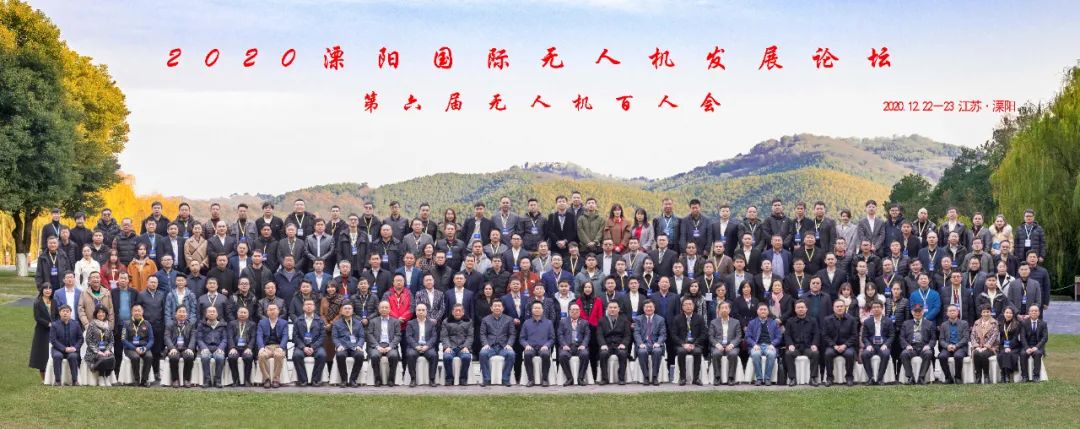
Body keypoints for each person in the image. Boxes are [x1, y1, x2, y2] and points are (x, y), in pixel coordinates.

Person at [479, 300, 516, 387]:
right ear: (491, 308)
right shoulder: (485, 319)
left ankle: (505, 379)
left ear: (503, 308)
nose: (497, 308)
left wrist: (509, 344)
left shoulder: (509, 319)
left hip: (504, 347)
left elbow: (512, 334)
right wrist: (485, 344)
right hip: (490, 346)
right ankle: (486, 379)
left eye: (499, 306)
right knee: (483, 353)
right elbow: (482, 334)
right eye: (495, 306)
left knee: (511, 354)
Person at [782, 300, 819, 386]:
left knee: (815, 353)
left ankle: (813, 378)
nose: (800, 309)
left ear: (806, 309)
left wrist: (814, 344)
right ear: (795, 310)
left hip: (808, 347)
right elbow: (787, 335)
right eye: (798, 308)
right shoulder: (790, 321)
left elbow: (816, 334)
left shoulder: (813, 320)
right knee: (788, 354)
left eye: (802, 307)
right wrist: (790, 345)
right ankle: (792, 378)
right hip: (795, 347)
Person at [519, 301, 556, 387]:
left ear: (542, 310)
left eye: (539, 308)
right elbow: (522, 338)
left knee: (546, 354)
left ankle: (545, 379)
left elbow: (552, 338)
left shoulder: (549, 323)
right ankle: (530, 379)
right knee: (527, 354)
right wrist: (526, 345)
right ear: (531, 310)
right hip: (530, 347)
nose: (537, 310)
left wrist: (546, 345)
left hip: (543, 347)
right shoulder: (526, 323)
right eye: (535, 308)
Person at [822, 299, 858, 386]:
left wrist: (845, 345)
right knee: (828, 354)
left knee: (849, 354)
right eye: (837, 306)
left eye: (841, 306)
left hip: (847, 346)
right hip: (833, 346)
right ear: (833, 308)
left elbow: (854, 336)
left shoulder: (851, 319)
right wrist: (834, 345)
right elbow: (825, 335)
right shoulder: (827, 320)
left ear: (845, 307)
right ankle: (829, 378)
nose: (839, 308)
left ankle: (849, 377)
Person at [291, 298, 327, 386]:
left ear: (314, 307)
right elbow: (295, 336)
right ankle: (303, 380)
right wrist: (303, 347)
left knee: (322, 355)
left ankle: (316, 380)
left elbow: (322, 336)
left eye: (311, 304)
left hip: (316, 346)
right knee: (296, 355)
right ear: (303, 307)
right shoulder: (297, 320)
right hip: (302, 346)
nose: (308, 306)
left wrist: (313, 347)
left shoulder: (320, 321)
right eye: (306, 304)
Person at [366, 300, 402, 387]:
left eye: (386, 307)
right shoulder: (373, 321)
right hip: (377, 345)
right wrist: (377, 346)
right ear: (379, 309)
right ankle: (377, 379)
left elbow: (398, 336)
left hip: (390, 345)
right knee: (374, 356)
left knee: (393, 356)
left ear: (390, 309)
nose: (384, 309)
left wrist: (391, 346)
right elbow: (369, 335)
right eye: (382, 307)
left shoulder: (395, 321)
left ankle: (391, 379)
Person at [746, 302, 781, 386]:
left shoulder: (774, 323)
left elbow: (779, 337)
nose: (763, 311)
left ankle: (767, 378)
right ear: (757, 311)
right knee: (755, 354)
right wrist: (754, 344)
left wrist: (773, 344)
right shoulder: (752, 323)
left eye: (765, 309)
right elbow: (747, 337)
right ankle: (759, 378)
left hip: (769, 345)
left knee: (771, 354)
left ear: (768, 311)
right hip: (756, 346)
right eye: (761, 309)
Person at [596, 301, 632, 385]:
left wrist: (624, 344)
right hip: (607, 345)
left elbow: (627, 335)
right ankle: (604, 379)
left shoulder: (624, 320)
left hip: (619, 345)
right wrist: (603, 344)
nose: (613, 309)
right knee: (603, 354)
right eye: (610, 307)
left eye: (615, 308)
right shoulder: (602, 320)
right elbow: (599, 335)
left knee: (623, 353)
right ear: (607, 309)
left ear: (618, 309)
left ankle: (621, 379)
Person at [860, 301, 895, 385]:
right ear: (871, 309)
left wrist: (886, 344)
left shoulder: (888, 321)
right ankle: (870, 378)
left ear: (882, 308)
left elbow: (891, 336)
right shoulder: (867, 322)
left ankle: (879, 378)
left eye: (878, 307)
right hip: (871, 346)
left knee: (886, 354)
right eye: (874, 307)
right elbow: (864, 337)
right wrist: (868, 345)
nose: (876, 309)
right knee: (864, 354)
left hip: (883, 345)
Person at [404, 303, 439, 387]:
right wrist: (416, 346)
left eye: (423, 310)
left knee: (434, 355)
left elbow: (434, 337)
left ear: (426, 312)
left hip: (427, 347)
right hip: (415, 347)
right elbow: (408, 337)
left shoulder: (431, 323)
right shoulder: (410, 323)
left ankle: (432, 379)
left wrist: (427, 346)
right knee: (410, 354)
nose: (421, 312)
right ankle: (413, 379)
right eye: (419, 310)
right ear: (416, 312)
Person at [899, 304, 935, 384]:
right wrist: (907, 345)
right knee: (904, 354)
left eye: (919, 311)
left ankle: (921, 377)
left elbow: (933, 339)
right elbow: (902, 337)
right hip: (911, 347)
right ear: (912, 312)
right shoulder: (906, 323)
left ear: (923, 312)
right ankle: (910, 377)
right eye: (915, 312)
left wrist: (929, 346)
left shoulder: (929, 323)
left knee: (928, 353)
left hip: (923, 347)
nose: (917, 313)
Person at [332, 303, 366, 387]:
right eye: (345, 308)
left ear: (352, 311)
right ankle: (344, 380)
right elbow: (335, 337)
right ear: (341, 311)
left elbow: (362, 337)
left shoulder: (358, 323)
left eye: (349, 308)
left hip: (355, 347)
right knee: (340, 355)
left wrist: (359, 345)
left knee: (360, 355)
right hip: (343, 347)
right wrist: (338, 345)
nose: (347, 310)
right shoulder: (336, 323)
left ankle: (353, 380)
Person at [710, 301, 743, 386]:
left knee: (733, 354)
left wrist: (732, 345)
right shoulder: (713, 322)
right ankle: (717, 377)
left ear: (729, 310)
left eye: (726, 308)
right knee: (716, 354)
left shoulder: (736, 322)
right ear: (719, 310)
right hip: (718, 345)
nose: (724, 310)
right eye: (722, 308)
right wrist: (717, 344)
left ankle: (731, 377)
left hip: (731, 346)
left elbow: (739, 336)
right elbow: (711, 337)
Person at [633, 300, 666, 386]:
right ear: (643, 308)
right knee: (642, 352)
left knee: (657, 351)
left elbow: (662, 334)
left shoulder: (660, 319)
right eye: (646, 307)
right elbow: (636, 333)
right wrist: (640, 343)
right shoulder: (638, 319)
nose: (648, 309)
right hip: (643, 344)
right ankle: (646, 377)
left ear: (654, 308)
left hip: (655, 344)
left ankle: (655, 377)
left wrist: (658, 343)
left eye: (650, 307)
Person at [557, 303, 590, 386]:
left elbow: (587, 335)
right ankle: (569, 378)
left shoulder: (584, 322)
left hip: (580, 347)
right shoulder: (563, 322)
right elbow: (560, 335)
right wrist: (564, 345)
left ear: (580, 311)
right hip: (567, 347)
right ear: (569, 311)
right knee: (562, 355)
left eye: (577, 310)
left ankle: (580, 378)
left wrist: (584, 345)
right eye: (573, 310)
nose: (575, 312)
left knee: (585, 354)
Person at [256, 303, 288, 388]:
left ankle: (276, 379)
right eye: (270, 309)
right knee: (261, 355)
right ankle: (266, 379)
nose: (272, 311)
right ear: (267, 312)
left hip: (278, 346)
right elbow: (259, 335)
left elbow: (285, 336)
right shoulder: (262, 322)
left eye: (274, 309)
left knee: (278, 355)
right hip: (267, 347)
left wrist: (281, 347)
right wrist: (261, 347)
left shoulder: (284, 323)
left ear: (278, 311)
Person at [122, 304, 155, 387]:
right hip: (130, 348)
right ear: (132, 312)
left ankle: (144, 380)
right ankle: (137, 380)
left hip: (144, 347)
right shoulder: (126, 323)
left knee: (149, 357)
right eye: (135, 311)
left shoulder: (147, 323)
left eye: (139, 311)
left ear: (142, 312)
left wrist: (145, 348)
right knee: (135, 357)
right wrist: (134, 348)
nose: (137, 313)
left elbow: (151, 339)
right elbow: (123, 339)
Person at [49, 305, 83, 385]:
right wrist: (64, 348)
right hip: (58, 349)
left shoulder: (76, 324)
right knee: (57, 356)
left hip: (72, 349)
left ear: (70, 313)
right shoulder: (54, 325)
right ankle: (57, 381)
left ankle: (75, 381)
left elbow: (80, 338)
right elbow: (53, 340)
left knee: (73, 356)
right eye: (63, 311)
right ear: (59, 313)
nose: (65, 313)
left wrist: (75, 348)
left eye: (67, 311)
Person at [937, 304, 970, 384]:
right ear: (947, 313)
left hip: (960, 347)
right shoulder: (943, 325)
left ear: (958, 312)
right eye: (950, 311)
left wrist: (956, 346)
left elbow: (965, 338)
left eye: (954, 310)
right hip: (947, 347)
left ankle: (958, 377)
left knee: (958, 356)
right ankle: (948, 378)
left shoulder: (964, 323)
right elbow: (941, 339)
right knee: (942, 356)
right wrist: (947, 346)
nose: (952, 312)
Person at [441, 304, 474, 386]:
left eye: (460, 311)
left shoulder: (468, 321)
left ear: (463, 312)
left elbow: (470, 336)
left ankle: (463, 378)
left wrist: (466, 346)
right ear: (452, 312)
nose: (458, 312)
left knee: (466, 357)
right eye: (456, 310)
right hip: (451, 347)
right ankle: (449, 378)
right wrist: (447, 346)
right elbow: (444, 336)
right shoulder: (446, 322)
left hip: (463, 347)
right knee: (447, 357)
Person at [196, 306, 228, 388]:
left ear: (217, 314)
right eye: (209, 312)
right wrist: (204, 348)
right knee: (205, 357)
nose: (212, 313)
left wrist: (221, 348)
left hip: (218, 347)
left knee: (220, 357)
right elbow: (199, 339)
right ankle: (207, 380)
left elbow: (224, 339)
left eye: (214, 311)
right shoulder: (201, 325)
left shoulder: (223, 325)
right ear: (206, 314)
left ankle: (218, 380)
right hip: (206, 347)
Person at [165, 306, 196, 388]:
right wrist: (172, 348)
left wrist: (190, 348)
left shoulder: (191, 325)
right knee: (173, 357)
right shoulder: (170, 324)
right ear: (176, 314)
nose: (182, 314)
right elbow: (167, 337)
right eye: (180, 311)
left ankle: (187, 380)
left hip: (186, 348)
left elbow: (193, 337)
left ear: (187, 314)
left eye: (184, 312)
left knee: (189, 356)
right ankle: (175, 380)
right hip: (174, 348)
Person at [30, 287, 57, 380]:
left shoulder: (54, 302)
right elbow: (37, 317)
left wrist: (55, 324)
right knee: (42, 354)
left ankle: (54, 377)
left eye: (50, 288)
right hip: (41, 331)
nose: (48, 290)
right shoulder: (37, 302)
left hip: (53, 331)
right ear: (42, 290)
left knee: (53, 352)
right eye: (46, 288)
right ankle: (43, 378)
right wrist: (48, 324)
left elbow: (57, 315)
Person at [84, 306, 116, 382]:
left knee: (111, 358)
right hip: (93, 351)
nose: (101, 314)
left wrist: (108, 350)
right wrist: (98, 351)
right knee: (102, 358)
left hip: (105, 350)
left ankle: (107, 377)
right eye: (99, 312)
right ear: (96, 314)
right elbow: (88, 340)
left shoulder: (108, 325)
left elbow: (111, 341)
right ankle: (101, 377)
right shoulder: (92, 325)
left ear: (106, 314)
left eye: (103, 312)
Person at [970, 304, 999, 384]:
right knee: (976, 353)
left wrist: (986, 346)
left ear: (990, 312)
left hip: (991, 347)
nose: (986, 314)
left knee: (984, 354)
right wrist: (976, 346)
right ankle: (978, 376)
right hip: (978, 346)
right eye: (984, 312)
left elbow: (994, 336)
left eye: (987, 312)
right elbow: (972, 335)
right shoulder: (976, 322)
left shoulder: (994, 322)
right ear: (981, 313)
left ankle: (986, 376)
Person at [227, 306, 256, 387]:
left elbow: (253, 337)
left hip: (246, 348)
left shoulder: (252, 324)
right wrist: (232, 347)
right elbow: (230, 337)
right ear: (237, 314)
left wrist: (249, 348)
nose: (242, 314)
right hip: (235, 347)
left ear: (248, 314)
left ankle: (247, 380)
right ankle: (235, 380)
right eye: (241, 312)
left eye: (244, 313)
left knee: (248, 357)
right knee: (232, 357)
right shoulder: (232, 323)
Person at [1019, 305, 1047, 382]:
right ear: (1029, 313)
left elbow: (1045, 338)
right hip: (1026, 345)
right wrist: (1027, 348)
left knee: (1038, 353)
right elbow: (1022, 337)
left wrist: (1037, 347)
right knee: (1023, 354)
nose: (1034, 312)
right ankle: (1024, 376)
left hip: (1037, 346)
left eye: (1036, 311)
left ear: (1039, 313)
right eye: (1032, 311)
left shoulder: (1043, 323)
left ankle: (1036, 376)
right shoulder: (1024, 323)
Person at [998, 306, 1021, 383]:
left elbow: (1015, 338)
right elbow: (1000, 337)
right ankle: (1003, 374)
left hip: (1014, 346)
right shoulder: (1001, 324)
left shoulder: (1017, 324)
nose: (1008, 314)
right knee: (1001, 354)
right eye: (1007, 312)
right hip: (1003, 346)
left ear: (1013, 314)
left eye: (1010, 313)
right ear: (1004, 313)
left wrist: (1009, 347)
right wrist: (1004, 347)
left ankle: (1006, 375)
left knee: (1008, 354)